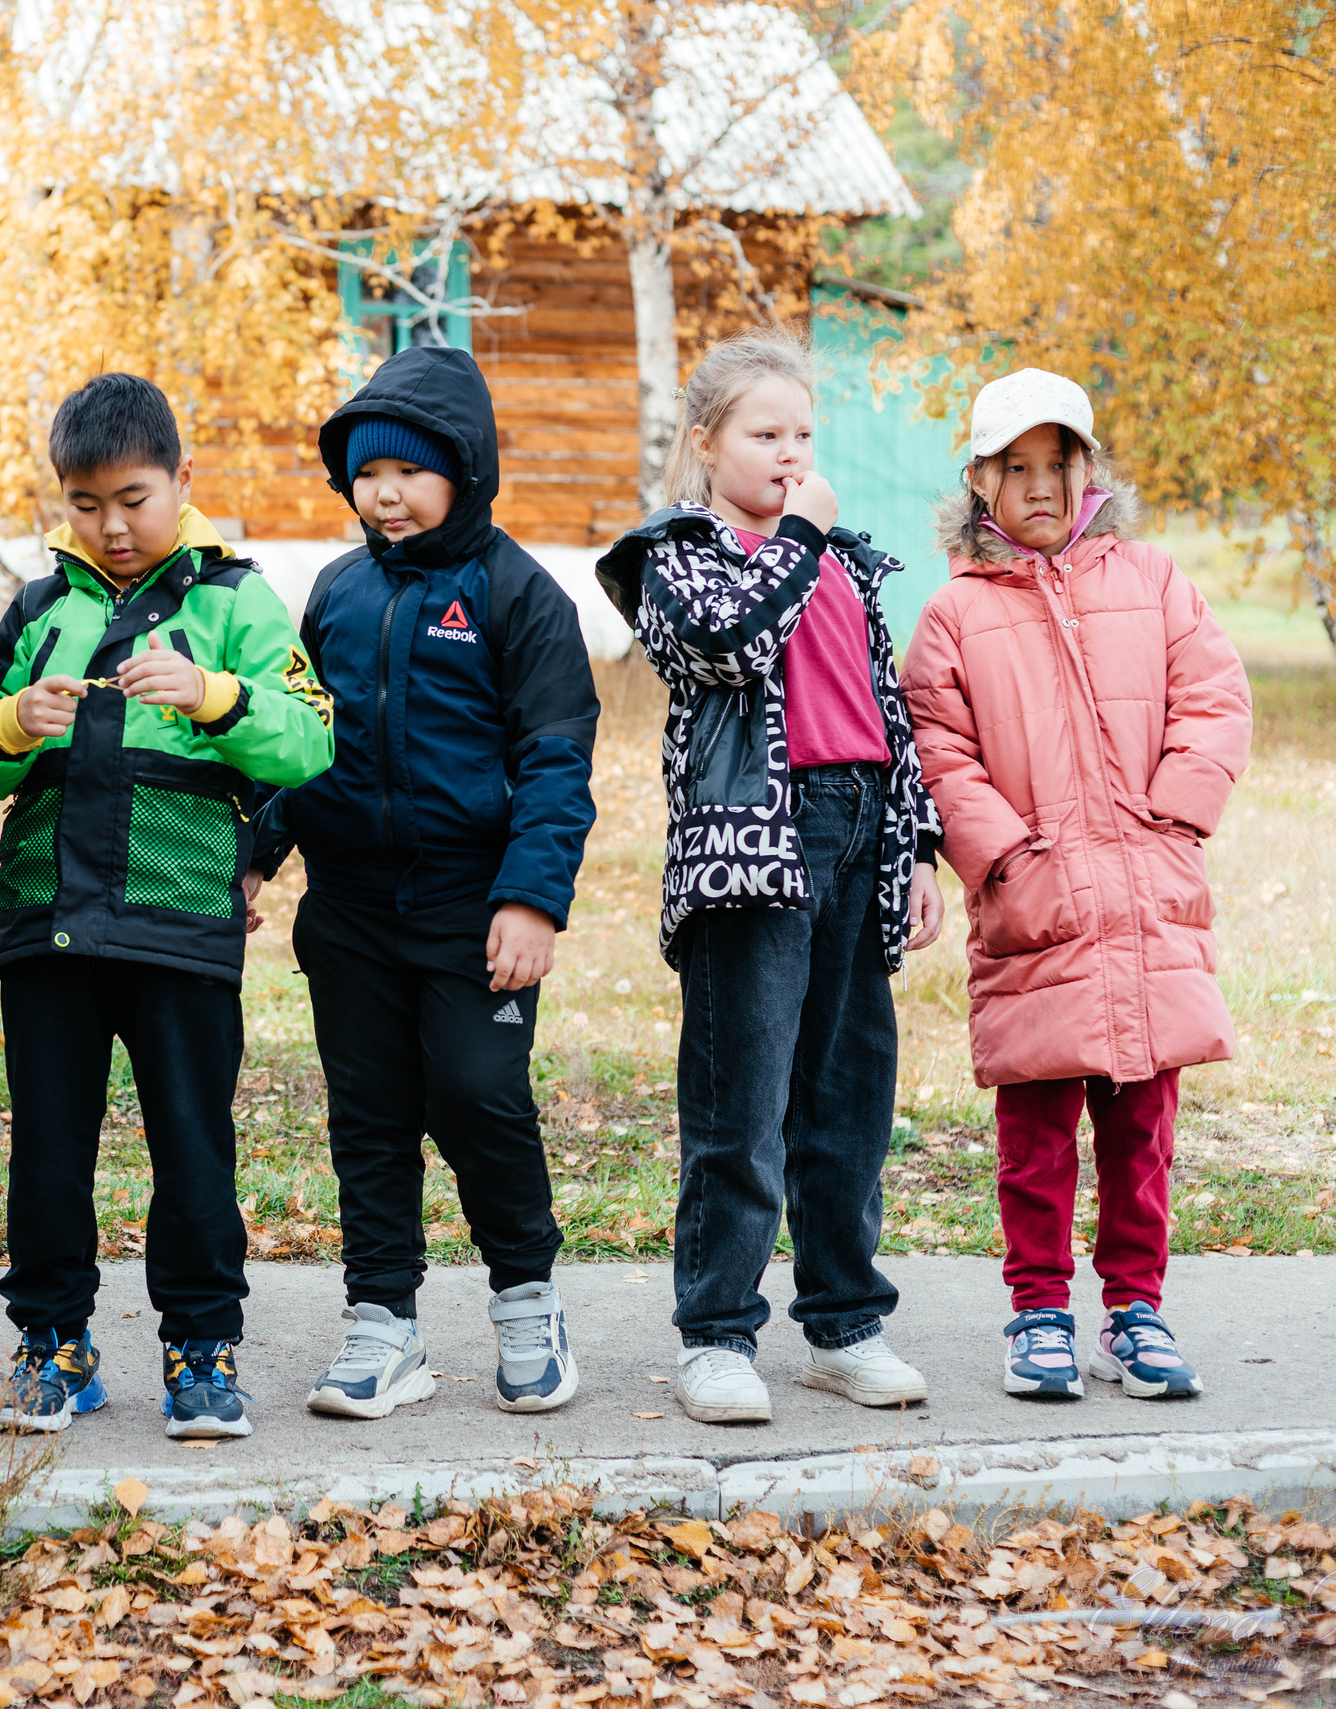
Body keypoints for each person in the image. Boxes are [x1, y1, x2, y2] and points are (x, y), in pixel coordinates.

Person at [0, 372, 334, 1441]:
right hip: (49, 925)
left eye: (133, 497)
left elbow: (311, 738)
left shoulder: (237, 602)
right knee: (47, 1148)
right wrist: (13, 726)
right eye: (85, 504)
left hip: (181, 928)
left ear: (180, 482)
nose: (112, 525)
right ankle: (52, 1346)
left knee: (191, 1144)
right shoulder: (37, 607)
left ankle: (201, 1348)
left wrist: (218, 698)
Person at [593, 329, 945, 1427]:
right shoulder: (677, 553)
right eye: (764, 434)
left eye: (802, 433)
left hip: (853, 828)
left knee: (846, 1096)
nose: (790, 453)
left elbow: (885, 706)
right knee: (739, 1100)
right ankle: (715, 1334)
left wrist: (917, 846)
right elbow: (728, 647)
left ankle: (843, 1323)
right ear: (706, 446)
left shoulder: (839, 560)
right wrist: (795, 533)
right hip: (751, 842)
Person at [245, 345, 599, 1421]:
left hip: (472, 903)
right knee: (369, 1109)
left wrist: (532, 898)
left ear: (467, 470)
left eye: (407, 470)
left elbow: (552, 757)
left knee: (477, 1094)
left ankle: (527, 1299)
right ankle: (381, 1323)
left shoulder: (516, 595)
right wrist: (260, 848)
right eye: (364, 474)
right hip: (349, 906)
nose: (384, 492)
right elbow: (302, 742)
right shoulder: (339, 591)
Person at [904, 369, 1249, 1403]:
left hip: (1148, 897)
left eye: (1060, 463)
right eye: (1019, 466)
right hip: (1037, 904)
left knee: (1144, 1127)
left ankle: (1135, 1309)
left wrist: (1177, 812)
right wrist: (1003, 852)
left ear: (1088, 472)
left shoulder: (1150, 579)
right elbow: (936, 743)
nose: (1042, 485)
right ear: (981, 482)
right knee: (1037, 1131)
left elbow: (1213, 695)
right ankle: (1039, 1309)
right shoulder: (954, 614)